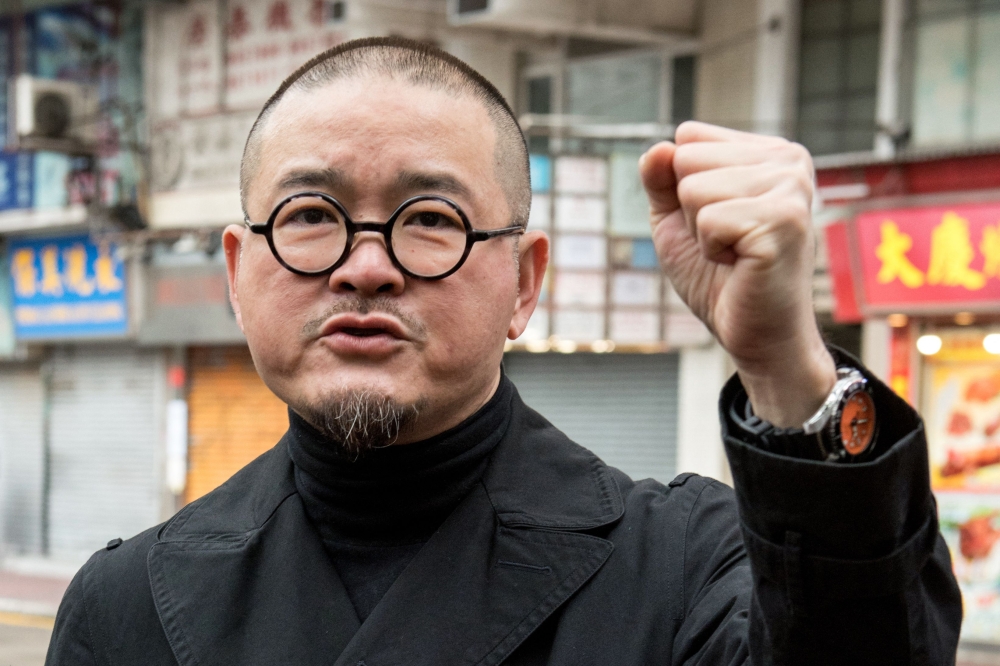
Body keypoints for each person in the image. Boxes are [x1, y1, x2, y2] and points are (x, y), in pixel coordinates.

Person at [46, 37, 960, 665]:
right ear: (239, 275)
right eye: (313, 217)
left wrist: (780, 360)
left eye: (433, 219)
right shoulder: (125, 606)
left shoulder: (685, 566)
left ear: (525, 282)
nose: (367, 268)